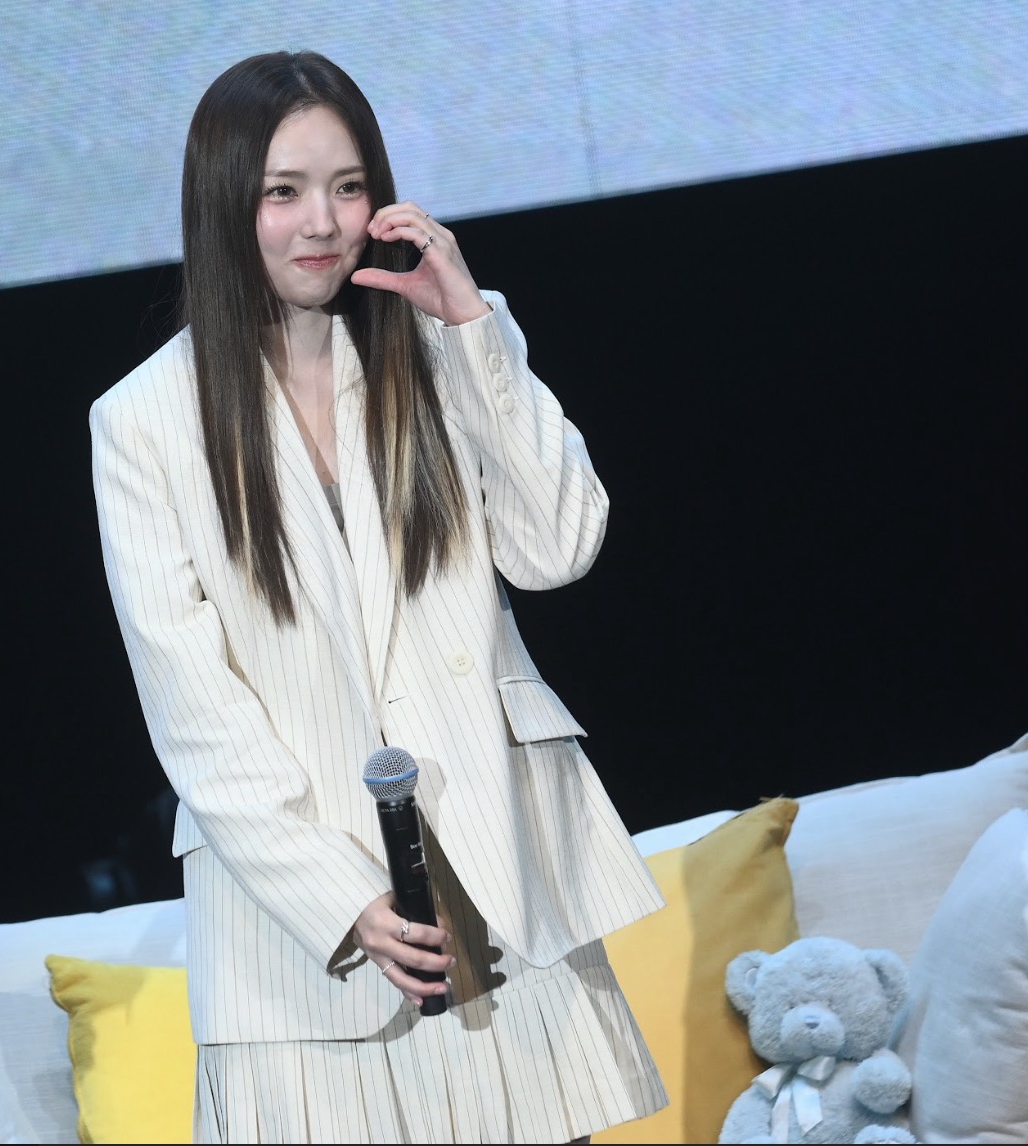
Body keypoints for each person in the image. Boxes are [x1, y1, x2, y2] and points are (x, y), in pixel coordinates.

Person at [90, 50, 667, 1144]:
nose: (323, 222)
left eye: (348, 186)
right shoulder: (144, 422)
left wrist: (472, 328)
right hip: (299, 932)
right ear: (224, 204)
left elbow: (559, 545)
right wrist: (340, 897)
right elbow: (195, 711)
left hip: (497, 877)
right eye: (284, 191)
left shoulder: (438, 348)